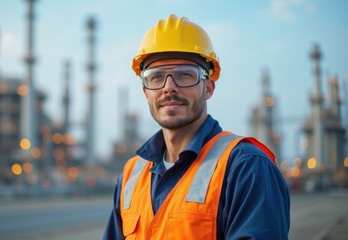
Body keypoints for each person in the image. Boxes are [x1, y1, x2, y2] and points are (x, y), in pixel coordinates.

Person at [103, 14, 290, 240]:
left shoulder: (245, 167)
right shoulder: (131, 175)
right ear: (146, 92)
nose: (169, 87)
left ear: (208, 88)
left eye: (184, 75)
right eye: (156, 77)